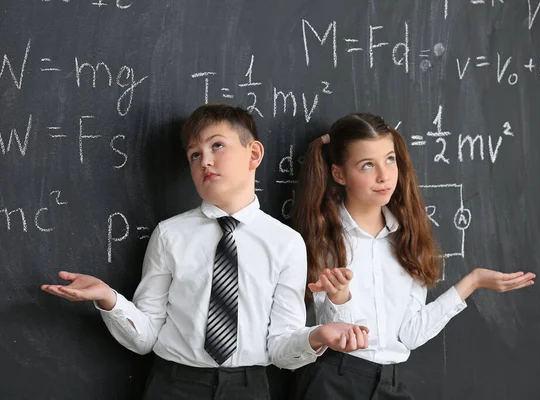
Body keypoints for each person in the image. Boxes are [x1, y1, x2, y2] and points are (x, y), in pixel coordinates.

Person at [41, 104, 369, 400]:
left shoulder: (286, 243)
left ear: (254, 154)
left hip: (249, 387)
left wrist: (317, 336)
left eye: (217, 145)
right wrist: (108, 299)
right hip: (173, 384)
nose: (205, 161)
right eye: (194, 155)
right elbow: (146, 337)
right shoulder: (170, 234)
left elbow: (281, 348)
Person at [289, 112, 536, 400]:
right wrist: (339, 297)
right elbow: (347, 340)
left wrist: (472, 283)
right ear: (339, 174)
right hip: (333, 381)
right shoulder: (325, 240)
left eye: (390, 159)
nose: (384, 176)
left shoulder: (408, 240)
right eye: (367, 165)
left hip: (389, 383)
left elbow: (411, 335)